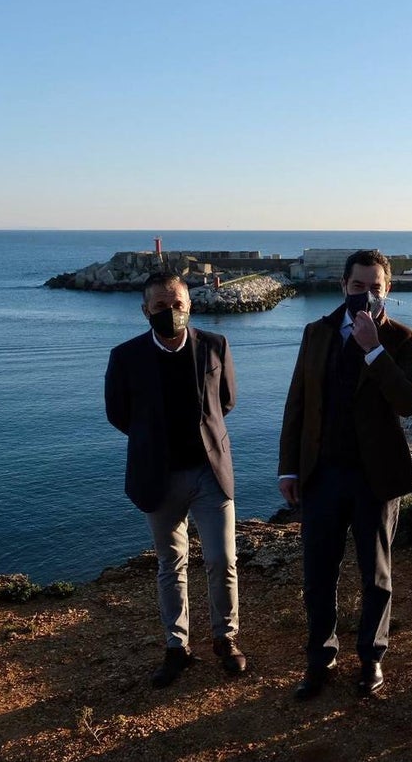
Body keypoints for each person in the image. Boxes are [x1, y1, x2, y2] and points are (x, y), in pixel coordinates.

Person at [278, 250, 412, 700]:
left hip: (375, 478)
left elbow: (407, 403)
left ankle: (371, 658)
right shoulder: (316, 332)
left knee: (375, 573)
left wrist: (373, 349)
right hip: (322, 474)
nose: (367, 295)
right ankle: (320, 658)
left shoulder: (404, 340)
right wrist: (289, 467)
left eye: (376, 287)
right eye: (359, 286)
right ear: (344, 286)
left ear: (388, 290)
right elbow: (297, 403)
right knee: (318, 572)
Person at [104, 272, 248, 688]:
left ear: (190, 304)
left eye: (178, 304)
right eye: (161, 306)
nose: (171, 312)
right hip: (159, 476)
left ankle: (226, 639)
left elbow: (227, 400)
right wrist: (154, 441)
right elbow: (119, 415)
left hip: (210, 471)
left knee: (223, 560)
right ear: (146, 310)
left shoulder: (215, 346)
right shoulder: (126, 356)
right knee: (171, 563)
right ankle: (177, 647)